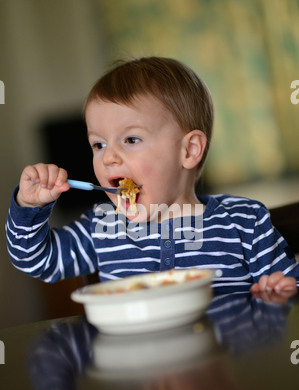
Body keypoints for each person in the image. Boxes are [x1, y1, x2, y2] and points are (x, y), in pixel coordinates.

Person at [5, 57, 299, 294]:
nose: (108, 157)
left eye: (131, 139)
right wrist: (30, 207)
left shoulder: (244, 221)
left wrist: (279, 292)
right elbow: (36, 260)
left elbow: (290, 285)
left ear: (189, 150)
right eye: (98, 144)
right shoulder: (101, 227)